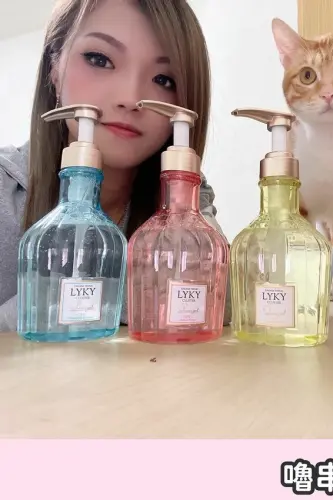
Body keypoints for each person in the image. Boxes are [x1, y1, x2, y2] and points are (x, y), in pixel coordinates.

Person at [0, 0, 231, 331]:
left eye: (163, 79)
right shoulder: (5, 189)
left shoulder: (184, 197)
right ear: (54, 65)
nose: (130, 97)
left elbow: (220, 297)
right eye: (100, 59)